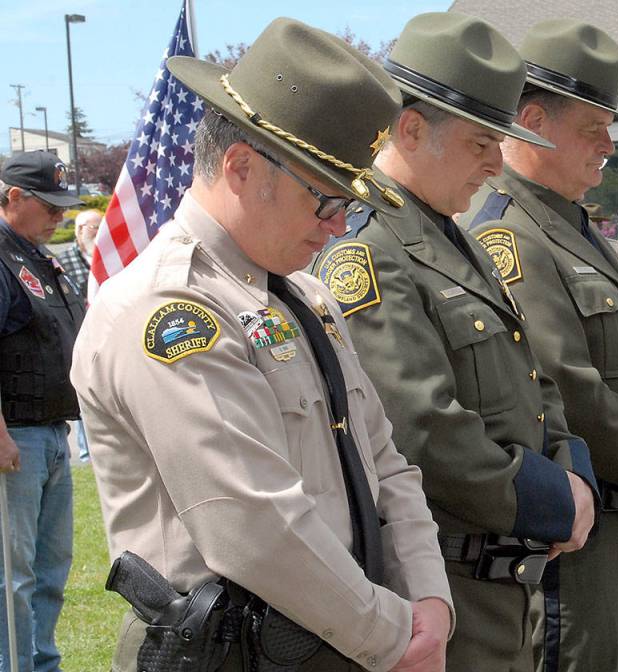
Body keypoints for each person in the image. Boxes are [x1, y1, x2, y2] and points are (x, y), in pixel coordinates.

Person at [71, 19, 454, 671]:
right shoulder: (167, 311)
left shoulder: (305, 299)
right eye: (325, 200)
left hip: (344, 639)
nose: (338, 227)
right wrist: (395, 636)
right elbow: (252, 526)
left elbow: (386, 462)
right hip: (232, 654)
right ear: (242, 167)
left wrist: (429, 601)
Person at [311, 14, 597, 671]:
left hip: (506, 581)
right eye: (479, 144)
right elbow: (423, 428)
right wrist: (556, 499)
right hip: (447, 591)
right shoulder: (368, 248)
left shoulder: (451, 236)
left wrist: (572, 462)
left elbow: (532, 380)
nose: (496, 163)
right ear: (411, 129)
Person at [461, 19, 618, 670]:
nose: (609, 144)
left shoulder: (572, 226)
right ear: (535, 122)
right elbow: (566, 385)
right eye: (592, 128)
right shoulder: (509, 234)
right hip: (586, 537)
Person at [0, 150, 84, 672]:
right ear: (13, 198)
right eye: (49, 205)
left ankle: (40, 665)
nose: (59, 215)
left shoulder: (33, 255)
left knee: (51, 571)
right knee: (14, 574)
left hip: (51, 433)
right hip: (18, 438)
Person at [57, 208, 100, 462]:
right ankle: (85, 454)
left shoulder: (108, 256)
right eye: (93, 228)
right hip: (77, 336)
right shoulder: (64, 260)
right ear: (79, 230)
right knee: (82, 392)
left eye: (100, 227)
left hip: (104, 336)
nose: (97, 232)